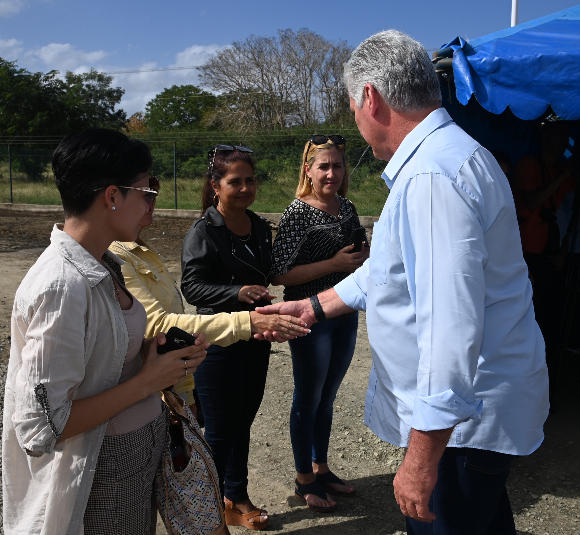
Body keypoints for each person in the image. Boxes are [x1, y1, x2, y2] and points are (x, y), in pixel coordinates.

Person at [257, 30, 549, 535]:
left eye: (351, 106)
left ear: (369, 97)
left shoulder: (432, 178)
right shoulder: (444, 160)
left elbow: (450, 325)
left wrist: (420, 457)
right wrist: (315, 306)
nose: (355, 118)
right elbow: (389, 270)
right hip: (467, 421)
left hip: (462, 428)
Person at [2, 129, 210, 535]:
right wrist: (147, 382)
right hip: (102, 476)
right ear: (112, 196)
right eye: (147, 190)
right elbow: (42, 427)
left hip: (133, 460)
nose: (152, 202)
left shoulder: (103, 263)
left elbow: (105, 357)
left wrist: (152, 356)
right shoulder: (61, 286)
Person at [109, 177, 309, 411]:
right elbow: (159, 322)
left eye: (154, 196)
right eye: (145, 195)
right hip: (159, 389)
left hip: (187, 374)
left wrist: (187, 393)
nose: (151, 204)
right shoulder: (117, 256)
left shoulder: (142, 251)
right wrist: (248, 317)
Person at [181, 144, 297, 530]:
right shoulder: (204, 231)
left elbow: (270, 274)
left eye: (250, 180)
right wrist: (236, 293)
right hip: (217, 343)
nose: (245, 187)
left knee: (243, 420)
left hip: (255, 338)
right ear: (216, 185)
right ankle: (209, 509)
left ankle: (234, 496)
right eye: (235, 181)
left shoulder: (260, 226)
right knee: (217, 429)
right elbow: (192, 287)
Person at [270, 135, 369, 512]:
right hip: (309, 317)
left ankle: (321, 468)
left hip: (343, 313)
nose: (331, 173)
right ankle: (303, 479)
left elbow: (355, 256)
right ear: (307, 171)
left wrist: (361, 258)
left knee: (327, 398)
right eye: (323, 166)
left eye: (337, 166)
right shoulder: (298, 213)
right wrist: (334, 265)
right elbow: (279, 274)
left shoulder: (347, 207)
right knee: (308, 398)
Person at [513, 119, 578, 403]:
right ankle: (519, 386)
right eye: (558, 134)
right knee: (524, 322)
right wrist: (562, 178)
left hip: (552, 257)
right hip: (525, 255)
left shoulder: (564, 173)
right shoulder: (528, 166)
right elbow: (533, 200)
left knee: (550, 322)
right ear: (545, 136)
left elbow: (569, 214)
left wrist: (564, 250)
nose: (563, 140)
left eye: (566, 135)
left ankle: (544, 390)